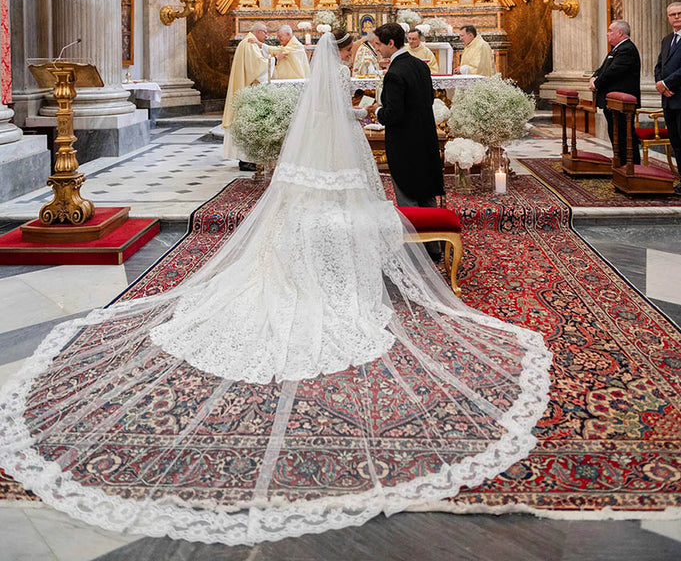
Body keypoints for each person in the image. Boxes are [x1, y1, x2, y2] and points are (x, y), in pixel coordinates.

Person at [0, 32, 551, 547]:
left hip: (318, 181)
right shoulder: (394, 70)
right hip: (376, 162)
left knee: (294, 226)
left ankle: (303, 268)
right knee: (372, 206)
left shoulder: (341, 86)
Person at [367, 22, 444, 208]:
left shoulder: (394, 73)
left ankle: (413, 237)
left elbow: (392, 115)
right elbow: (429, 100)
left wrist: (377, 110)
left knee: (408, 198)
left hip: (405, 145)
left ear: (391, 43)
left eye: (378, 44)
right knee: (427, 195)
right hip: (425, 138)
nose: (376, 48)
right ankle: (435, 233)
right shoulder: (421, 65)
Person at [589, 19, 641, 166]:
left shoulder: (627, 49)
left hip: (623, 105)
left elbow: (613, 72)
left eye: (610, 31)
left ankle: (631, 166)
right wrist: (593, 77)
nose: (607, 33)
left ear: (620, 32)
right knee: (616, 134)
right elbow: (603, 69)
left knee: (624, 136)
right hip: (613, 104)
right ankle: (620, 164)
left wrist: (596, 84)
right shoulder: (617, 49)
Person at [222, 21, 270, 170]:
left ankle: (247, 159)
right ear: (258, 31)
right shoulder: (249, 43)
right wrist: (274, 61)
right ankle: (246, 160)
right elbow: (257, 67)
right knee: (247, 124)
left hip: (246, 89)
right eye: (265, 32)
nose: (267, 35)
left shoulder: (250, 42)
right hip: (248, 92)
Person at [654, 2, 681, 192]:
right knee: (676, 143)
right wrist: (660, 84)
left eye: (680, 13)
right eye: (673, 14)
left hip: (680, 97)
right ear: (668, 18)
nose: (676, 17)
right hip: (668, 100)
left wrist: (667, 84)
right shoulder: (667, 39)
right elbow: (659, 66)